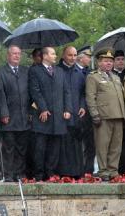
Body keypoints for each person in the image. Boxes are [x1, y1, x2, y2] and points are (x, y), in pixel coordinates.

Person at [29, 47, 72, 181]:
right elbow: (35, 91)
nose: (55, 56)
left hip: (58, 117)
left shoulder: (59, 71)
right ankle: (39, 175)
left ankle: (51, 174)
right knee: (40, 148)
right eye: (52, 54)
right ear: (45, 56)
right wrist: (43, 108)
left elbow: (66, 91)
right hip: (43, 117)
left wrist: (67, 109)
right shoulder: (35, 71)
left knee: (55, 148)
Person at [86, 48, 125, 181]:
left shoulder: (115, 77)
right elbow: (91, 97)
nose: (109, 63)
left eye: (110, 61)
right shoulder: (93, 77)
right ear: (98, 62)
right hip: (103, 117)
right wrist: (95, 114)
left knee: (116, 146)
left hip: (118, 115)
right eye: (105, 61)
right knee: (103, 146)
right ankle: (103, 171)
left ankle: (113, 170)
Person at [0, 45, 31, 182]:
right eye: (14, 54)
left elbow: (30, 93)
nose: (17, 56)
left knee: (22, 148)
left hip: (24, 116)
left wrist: (31, 111)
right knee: (8, 147)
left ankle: (20, 173)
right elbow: (1, 95)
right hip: (9, 117)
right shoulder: (1, 72)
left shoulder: (25, 71)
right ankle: (8, 173)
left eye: (19, 53)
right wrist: (4, 113)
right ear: (8, 56)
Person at [56, 46, 86, 178]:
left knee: (76, 145)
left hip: (76, 115)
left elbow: (83, 93)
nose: (73, 58)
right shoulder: (57, 71)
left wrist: (82, 106)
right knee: (63, 145)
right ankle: (64, 172)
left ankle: (77, 172)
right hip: (62, 115)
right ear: (63, 56)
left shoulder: (79, 73)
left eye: (75, 55)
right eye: (70, 55)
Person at [76, 45, 95, 174]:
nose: (89, 59)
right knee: (78, 145)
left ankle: (88, 170)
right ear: (80, 57)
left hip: (89, 114)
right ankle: (79, 170)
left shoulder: (90, 73)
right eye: (88, 56)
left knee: (90, 144)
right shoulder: (73, 71)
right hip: (77, 112)